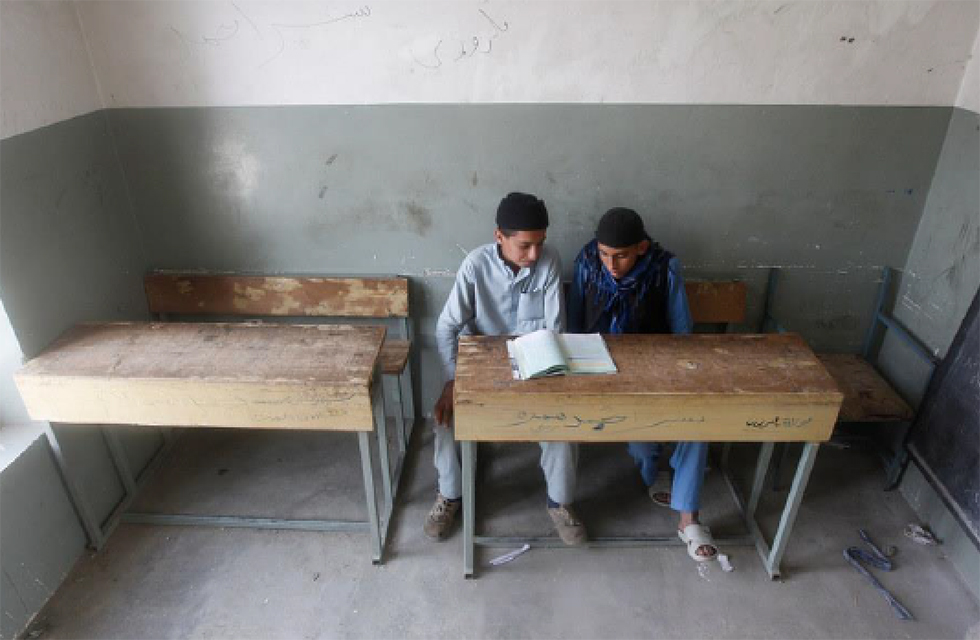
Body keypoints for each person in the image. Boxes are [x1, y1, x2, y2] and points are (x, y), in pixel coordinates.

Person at [426, 192, 586, 546]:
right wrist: (453, 380)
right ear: (499, 236)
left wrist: (546, 378)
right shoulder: (475, 265)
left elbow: (554, 330)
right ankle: (450, 495)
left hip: (535, 366)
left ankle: (560, 503)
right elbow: (446, 327)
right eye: (525, 246)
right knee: (445, 419)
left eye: (540, 244)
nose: (534, 256)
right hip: (479, 368)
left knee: (563, 419)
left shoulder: (549, 261)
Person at [567, 207, 717, 562]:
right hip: (599, 369)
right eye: (605, 254)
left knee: (700, 422)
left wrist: (678, 376)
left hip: (655, 367)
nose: (611, 264)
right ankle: (652, 470)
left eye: (620, 255)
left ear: (642, 248)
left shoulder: (665, 268)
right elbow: (573, 324)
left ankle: (689, 519)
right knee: (641, 444)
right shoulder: (587, 264)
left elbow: (681, 331)